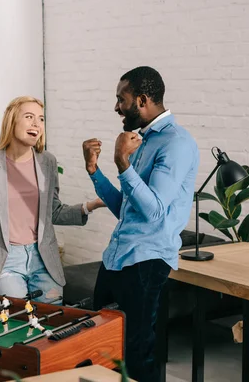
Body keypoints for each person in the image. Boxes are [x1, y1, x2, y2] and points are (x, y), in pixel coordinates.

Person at [82, 66, 199, 382]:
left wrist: (122, 164)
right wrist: (95, 171)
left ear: (143, 100)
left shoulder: (176, 144)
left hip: (146, 263)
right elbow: (128, 210)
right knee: (102, 348)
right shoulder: (140, 141)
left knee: (138, 355)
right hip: (117, 258)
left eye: (121, 99)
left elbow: (156, 211)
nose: (116, 107)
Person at [0, 96, 104, 303]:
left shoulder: (48, 162)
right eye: (29, 117)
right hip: (6, 260)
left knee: (51, 320)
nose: (37, 123)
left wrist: (91, 206)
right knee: (17, 318)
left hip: (43, 257)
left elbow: (54, 212)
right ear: (12, 121)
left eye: (41, 119)